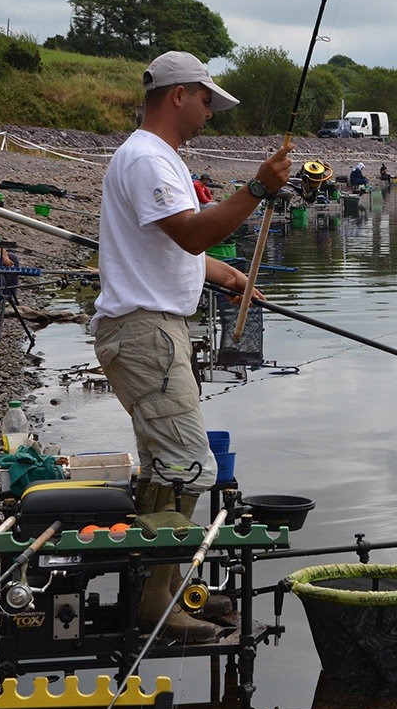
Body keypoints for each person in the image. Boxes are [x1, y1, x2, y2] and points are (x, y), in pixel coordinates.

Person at [91, 50, 293, 643]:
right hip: (145, 332)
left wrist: (228, 276)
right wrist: (257, 187)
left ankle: (164, 593)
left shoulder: (159, 158)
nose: (211, 112)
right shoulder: (148, 158)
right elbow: (192, 231)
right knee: (186, 466)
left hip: (154, 328)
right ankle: (157, 608)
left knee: (168, 467)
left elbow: (174, 249)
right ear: (179, 94)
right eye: (207, 99)